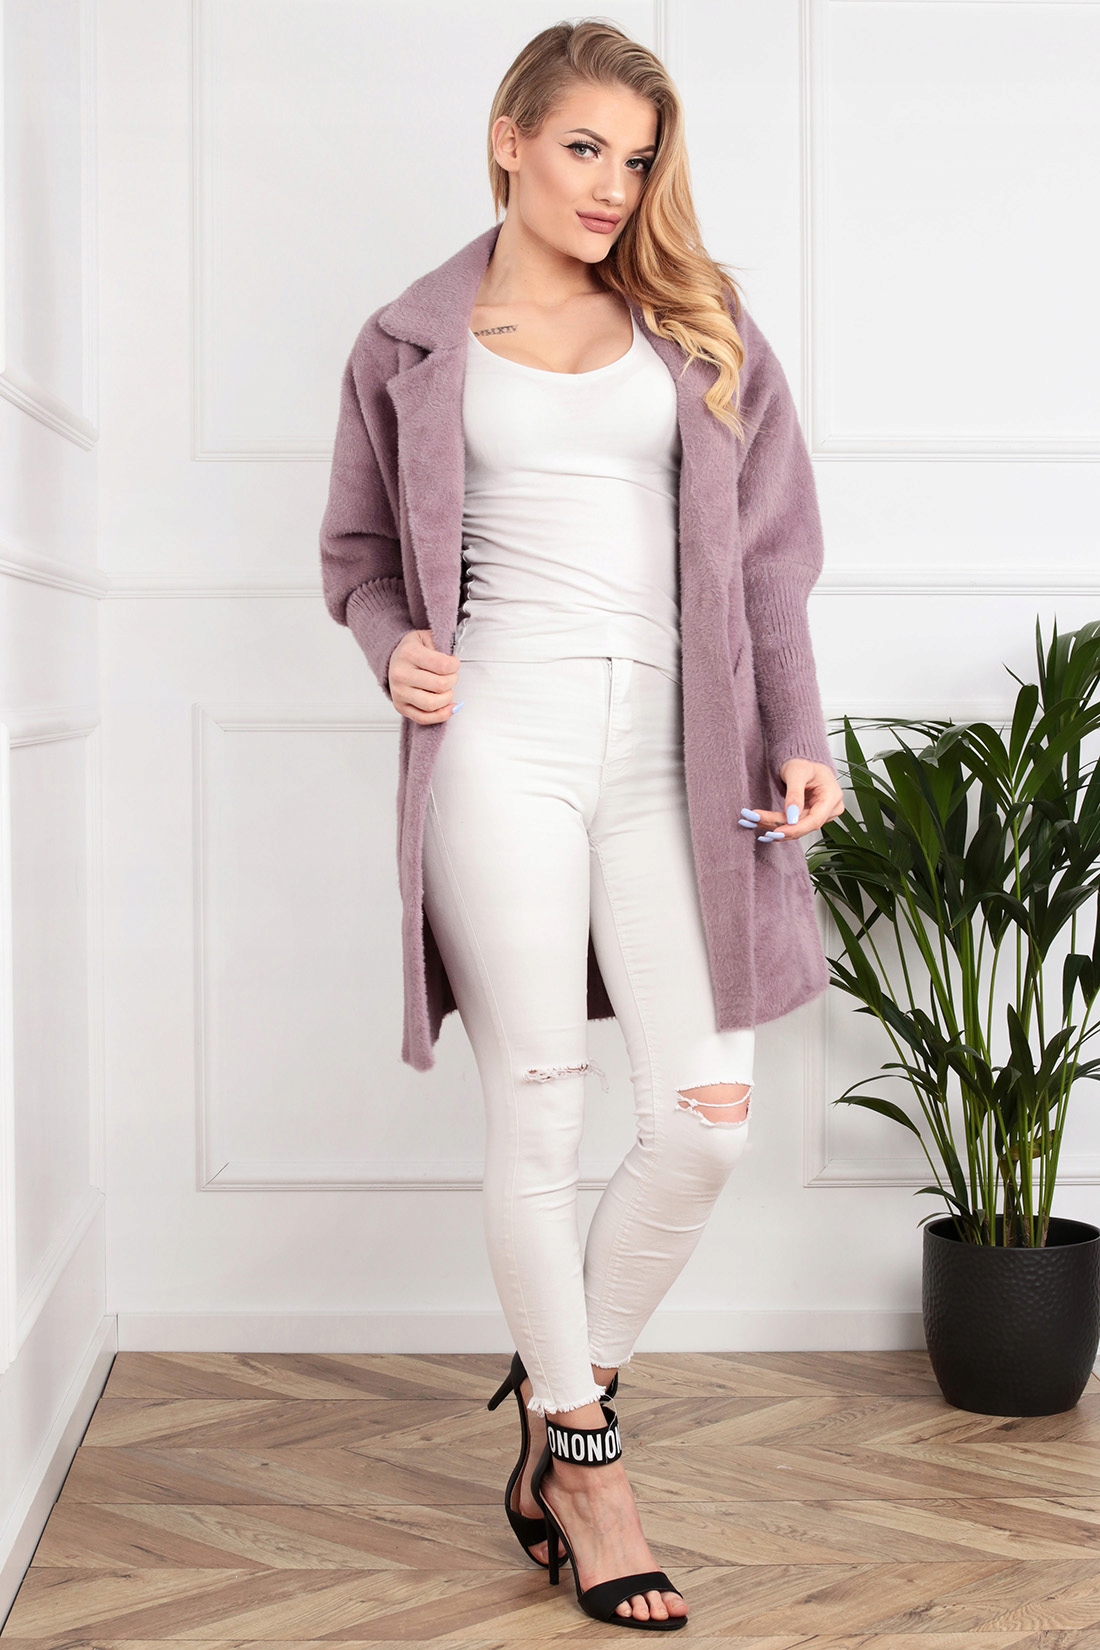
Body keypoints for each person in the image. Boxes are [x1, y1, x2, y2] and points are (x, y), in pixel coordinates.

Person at [319, 18, 844, 1630]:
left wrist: (799, 732)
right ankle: (592, 1470)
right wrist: (389, 646)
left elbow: (772, 559)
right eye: (584, 148)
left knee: (705, 1118)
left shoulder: (700, 319)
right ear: (510, 138)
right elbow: (356, 555)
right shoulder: (411, 339)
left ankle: (567, 1389)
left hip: (680, 750)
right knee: (540, 1114)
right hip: (500, 739)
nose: (614, 185)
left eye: (638, 158)